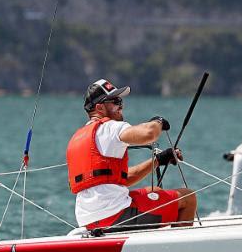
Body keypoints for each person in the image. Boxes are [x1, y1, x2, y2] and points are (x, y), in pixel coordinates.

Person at [67, 79, 197, 231]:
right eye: (115, 101)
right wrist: (158, 121)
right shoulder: (110, 128)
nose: (121, 106)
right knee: (188, 197)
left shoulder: (77, 138)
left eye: (120, 101)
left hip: (88, 220)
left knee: (154, 191)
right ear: (99, 107)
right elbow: (149, 133)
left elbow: (119, 178)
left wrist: (158, 160)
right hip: (116, 215)